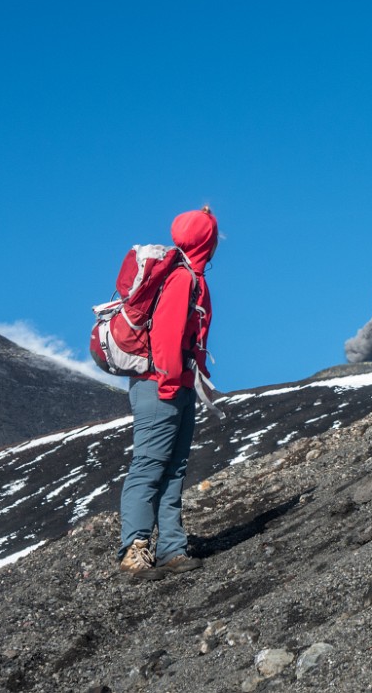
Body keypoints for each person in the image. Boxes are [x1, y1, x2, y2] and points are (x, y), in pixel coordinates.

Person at [117, 205, 218, 579]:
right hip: (161, 386)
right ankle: (134, 550)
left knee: (174, 468)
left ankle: (172, 548)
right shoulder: (181, 278)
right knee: (149, 466)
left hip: (177, 385)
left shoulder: (192, 276)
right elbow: (166, 337)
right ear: (206, 241)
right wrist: (172, 382)